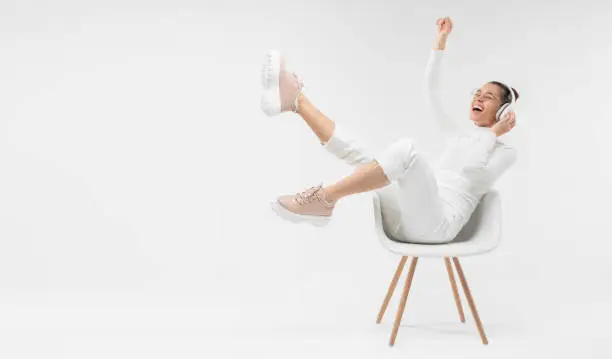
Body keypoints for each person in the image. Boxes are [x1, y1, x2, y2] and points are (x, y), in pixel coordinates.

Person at [260, 17, 518, 244]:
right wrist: (440, 42)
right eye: (478, 93)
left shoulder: (505, 152)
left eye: (489, 97)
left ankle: (324, 199)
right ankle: (297, 102)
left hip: (437, 227)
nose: (479, 99)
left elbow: (472, 167)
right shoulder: (461, 137)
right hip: (408, 216)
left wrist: (494, 132)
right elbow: (432, 91)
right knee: (362, 153)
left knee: (408, 152)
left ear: (504, 110)